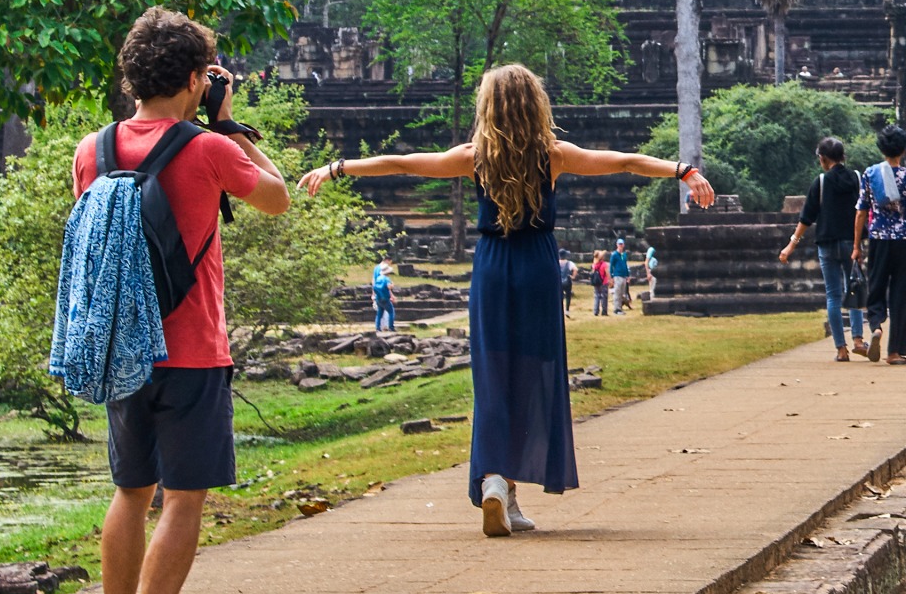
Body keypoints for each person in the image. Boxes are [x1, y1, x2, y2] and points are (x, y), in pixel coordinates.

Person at [301, 64, 713, 538]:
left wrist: (338, 167)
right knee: (534, 374)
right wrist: (683, 170)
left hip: (493, 268)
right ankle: (507, 488)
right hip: (538, 267)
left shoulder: (474, 157)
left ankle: (499, 482)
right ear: (535, 103)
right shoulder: (554, 155)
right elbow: (624, 161)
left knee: (493, 374)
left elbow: (403, 161)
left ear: (488, 107)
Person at [76, 8, 291, 594]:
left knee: (129, 490)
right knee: (185, 498)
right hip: (191, 348)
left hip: (120, 348)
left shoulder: (93, 149)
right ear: (198, 79)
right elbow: (279, 197)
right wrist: (226, 125)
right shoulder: (208, 149)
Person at [780, 135, 866, 360]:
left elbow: (806, 219)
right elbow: (863, 213)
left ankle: (841, 348)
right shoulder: (857, 178)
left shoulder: (820, 182)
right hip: (851, 244)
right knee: (854, 289)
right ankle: (858, 338)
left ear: (823, 159)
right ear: (843, 156)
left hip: (827, 243)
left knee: (833, 296)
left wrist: (790, 246)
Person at [854, 126, 906, 364]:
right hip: (904, 240)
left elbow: (861, 213)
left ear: (881, 148)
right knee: (902, 295)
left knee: (876, 287)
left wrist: (856, 246)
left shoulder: (870, 174)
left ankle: (876, 326)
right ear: (903, 149)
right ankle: (895, 352)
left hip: (878, 239)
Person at [371, 257, 397, 332]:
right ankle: (391, 327)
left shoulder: (378, 278)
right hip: (385, 298)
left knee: (379, 313)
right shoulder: (386, 279)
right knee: (391, 312)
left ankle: (377, 328)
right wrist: (392, 285)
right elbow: (389, 287)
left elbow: (374, 284)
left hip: (378, 298)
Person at [609, 238, 632, 312]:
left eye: (622, 244)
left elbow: (625, 265)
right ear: (617, 245)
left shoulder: (624, 255)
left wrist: (628, 275)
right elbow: (611, 266)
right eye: (619, 244)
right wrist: (612, 276)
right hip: (617, 275)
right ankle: (616, 308)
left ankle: (619, 307)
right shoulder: (614, 255)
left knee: (622, 293)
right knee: (617, 292)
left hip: (624, 275)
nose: (620, 245)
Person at [590, 247, 611, 318]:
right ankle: (604, 311)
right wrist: (610, 280)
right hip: (603, 282)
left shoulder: (594, 265)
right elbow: (607, 273)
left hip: (596, 282)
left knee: (597, 296)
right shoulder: (604, 264)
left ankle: (596, 311)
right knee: (604, 297)